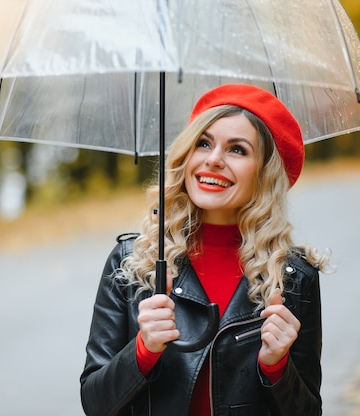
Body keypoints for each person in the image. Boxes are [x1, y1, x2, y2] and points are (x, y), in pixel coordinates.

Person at [80, 84, 331, 416]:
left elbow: (308, 411)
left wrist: (276, 367)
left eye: (237, 150)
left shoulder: (294, 279)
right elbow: (95, 404)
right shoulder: (132, 262)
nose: (213, 160)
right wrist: (143, 350)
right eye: (203, 143)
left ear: (265, 174)